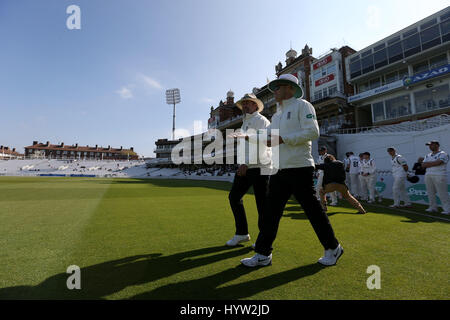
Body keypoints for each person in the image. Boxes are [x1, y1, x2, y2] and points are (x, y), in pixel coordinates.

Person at [240, 74, 343, 267]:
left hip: (300, 167)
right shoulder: (277, 115)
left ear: (289, 88)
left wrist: (283, 139)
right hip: (279, 169)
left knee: (313, 211)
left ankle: (333, 247)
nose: (275, 92)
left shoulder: (303, 105)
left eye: (277, 88)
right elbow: (267, 135)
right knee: (271, 213)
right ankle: (263, 254)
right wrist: (247, 136)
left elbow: (313, 132)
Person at [226, 93, 272, 246]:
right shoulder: (244, 123)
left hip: (260, 166)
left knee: (263, 205)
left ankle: (263, 240)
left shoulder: (261, 121)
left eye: (248, 103)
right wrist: (242, 163)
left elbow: (262, 144)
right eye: (243, 103)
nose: (245, 105)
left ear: (256, 105)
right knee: (234, 197)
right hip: (246, 166)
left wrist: (245, 163)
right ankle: (242, 233)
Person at [421, 141, 450, 215]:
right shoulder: (427, 155)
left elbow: (438, 163)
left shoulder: (443, 154)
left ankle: (447, 209)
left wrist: (428, 164)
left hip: (439, 175)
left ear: (437, 145)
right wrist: (433, 163)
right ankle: (433, 207)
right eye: (429, 145)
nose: (430, 146)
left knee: (442, 193)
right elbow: (423, 165)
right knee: (430, 192)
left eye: (431, 145)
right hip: (428, 175)